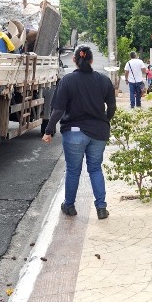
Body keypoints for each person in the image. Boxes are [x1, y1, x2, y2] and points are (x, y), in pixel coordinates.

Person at [43, 45, 116, 220]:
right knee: (95, 169)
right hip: (98, 133)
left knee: (73, 171)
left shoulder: (67, 81)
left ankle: (69, 206)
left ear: (75, 60)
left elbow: (58, 110)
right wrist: (104, 120)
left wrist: (48, 130)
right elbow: (111, 107)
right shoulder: (104, 80)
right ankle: (101, 208)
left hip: (74, 132)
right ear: (91, 60)